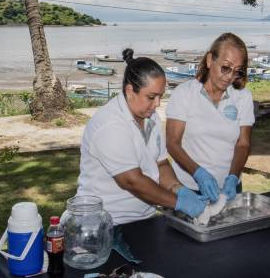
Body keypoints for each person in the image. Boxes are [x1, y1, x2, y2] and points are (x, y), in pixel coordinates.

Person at [75, 48, 207, 225]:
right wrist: (178, 202)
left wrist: (178, 188)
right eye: (151, 97)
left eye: (161, 96)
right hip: (106, 223)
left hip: (142, 219)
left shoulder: (151, 117)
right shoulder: (111, 125)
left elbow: (160, 163)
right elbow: (132, 181)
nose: (158, 104)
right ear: (130, 91)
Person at [166, 33, 255, 203]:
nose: (230, 76)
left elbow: (243, 143)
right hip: (190, 188)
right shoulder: (184, 94)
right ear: (209, 60)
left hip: (230, 189)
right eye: (225, 67)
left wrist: (233, 178)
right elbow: (172, 143)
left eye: (237, 71)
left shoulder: (243, 97)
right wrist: (198, 173)